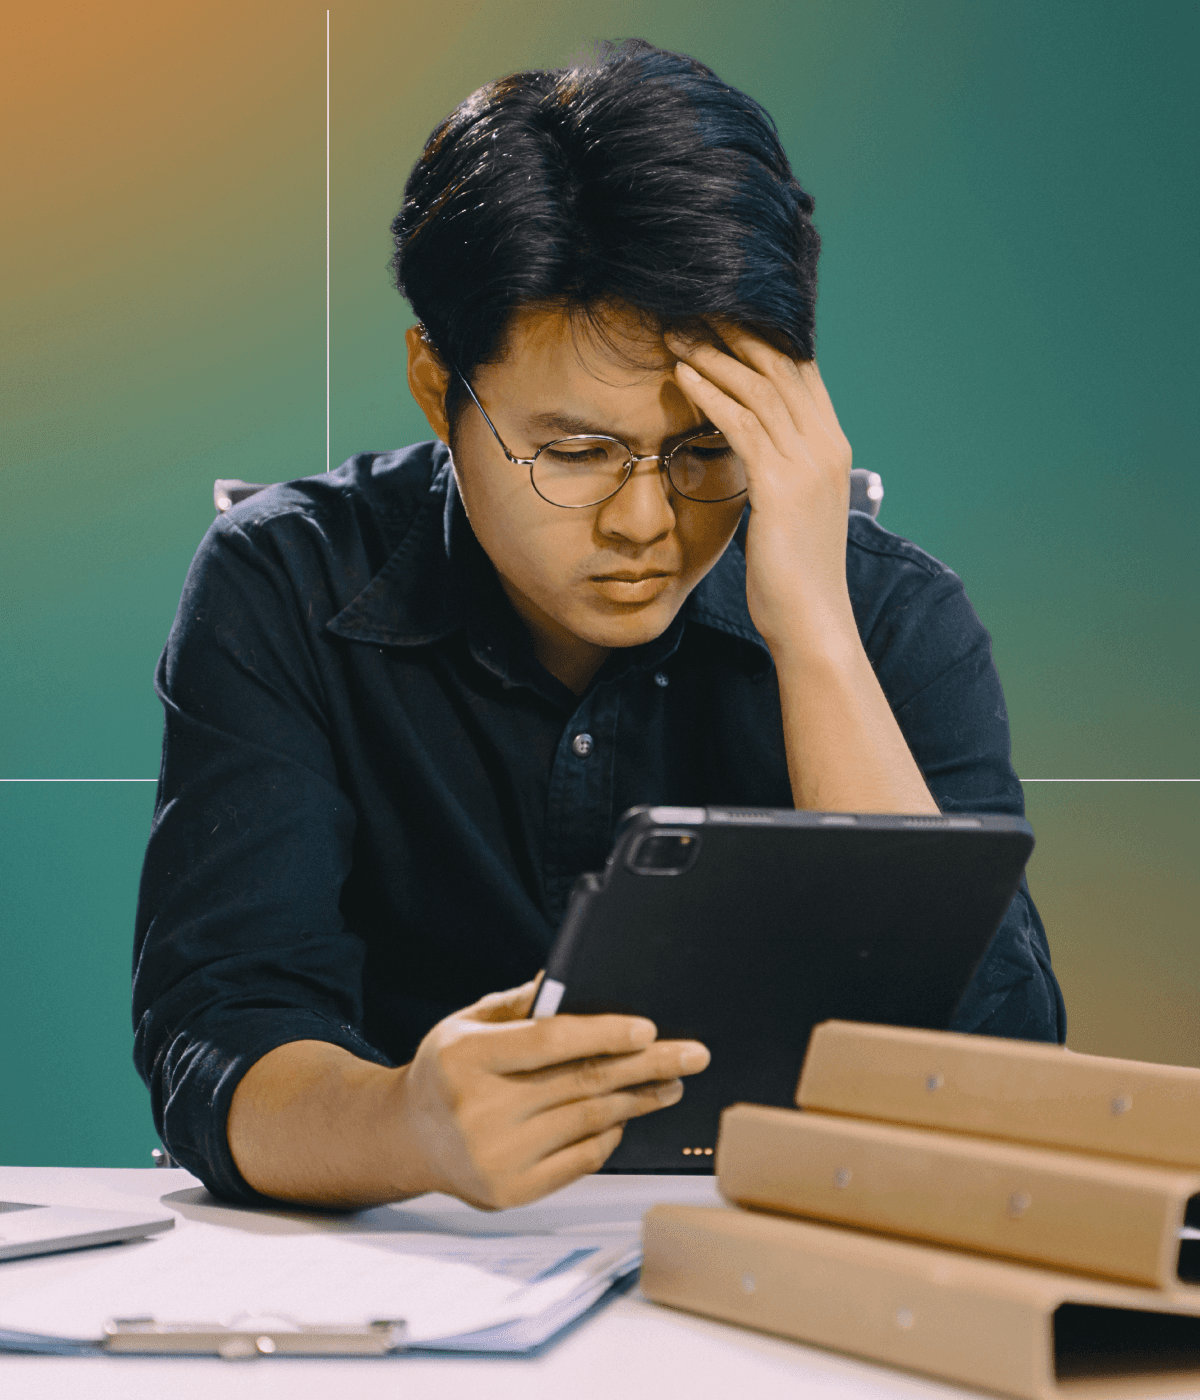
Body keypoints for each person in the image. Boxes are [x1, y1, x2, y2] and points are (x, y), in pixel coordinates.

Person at [132, 40, 1064, 1211]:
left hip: (788, 1287)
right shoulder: (284, 583)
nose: (642, 520)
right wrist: (406, 1120)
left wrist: (815, 631)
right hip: (413, 1268)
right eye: (573, 452)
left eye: (702, 450)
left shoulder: (891, 616)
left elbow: (1002, 1088)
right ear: (437, 385)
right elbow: (214, 1035)